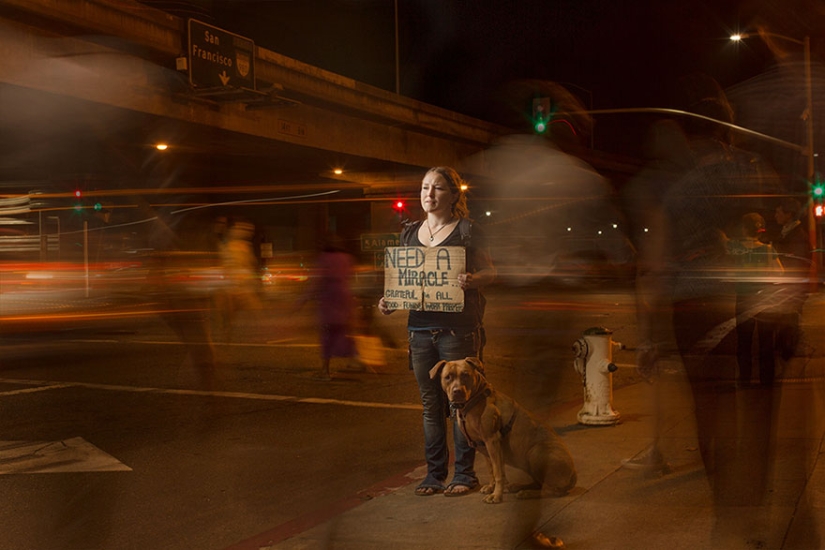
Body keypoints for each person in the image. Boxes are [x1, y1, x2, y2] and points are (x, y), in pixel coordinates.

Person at [378, 166, 496, 497]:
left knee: (463, 404)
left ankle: (464, 474)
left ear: (453, 195)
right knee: (431, 407)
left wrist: (474, 280)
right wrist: (389, 301)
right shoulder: (409, 233)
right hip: (419, 330)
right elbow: (404, 282)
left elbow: (492, 272)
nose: (429, 194)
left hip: (458, 331)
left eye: (438, 188)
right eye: (425, 187)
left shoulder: (469, 231)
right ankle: (434, 474)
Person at [728, 212, 784, 386]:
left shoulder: (735, 248)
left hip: (744, 299)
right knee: (766, 340)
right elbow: (780, 272)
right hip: (764, 300)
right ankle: (766, 379)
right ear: (759, 231)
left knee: (744, 341)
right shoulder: (768, 250)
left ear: (744, 229)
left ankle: (744, 378)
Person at [298, 234, 359, 380]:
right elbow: (350, 276)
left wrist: (302, 300)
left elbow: (316, 282)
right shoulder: (346, 258)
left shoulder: (323, 258)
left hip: (329, 299)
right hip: (344, 297)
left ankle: (325, 370)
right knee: (344, 330)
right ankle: (355, 361)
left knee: (327, 334)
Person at [771, 197, 812, 359]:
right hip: (789, 287)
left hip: (791, 287)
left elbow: (798, 265)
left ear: (789, 214)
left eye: (778, 212)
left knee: (789, 320)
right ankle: (785, 348)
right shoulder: (788, 233)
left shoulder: (797, 236)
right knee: (786, 319)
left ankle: (787, 351)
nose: (775, 215)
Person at [216, 219, 262, 340]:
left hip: (241, 285)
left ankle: (260, 331)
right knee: (229, 310)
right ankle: (226, 332)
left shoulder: (242, 246)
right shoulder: (232, 246)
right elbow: (228, 265)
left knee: (253, 308)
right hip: (233, 285)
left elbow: (250, 264)